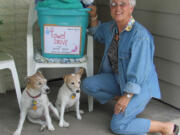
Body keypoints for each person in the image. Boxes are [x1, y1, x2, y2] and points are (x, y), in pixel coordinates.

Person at [81, 0, 179, 134]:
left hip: (139, 86)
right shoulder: (112, 28)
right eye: (114, 4)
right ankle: (122, 102)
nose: (117, 8)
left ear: (131, 8)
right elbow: (96, 32)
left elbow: (140, 72)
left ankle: (165, 127)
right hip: (118, 78)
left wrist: (127, 96)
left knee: (118, 126)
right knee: (87, 84)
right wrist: (93, 16)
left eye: (123, 4)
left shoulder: (140, 36)